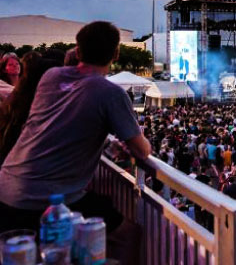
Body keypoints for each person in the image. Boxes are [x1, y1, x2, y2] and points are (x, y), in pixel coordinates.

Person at [0, 21, 152, 233]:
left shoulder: (50, 77)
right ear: (116, 54)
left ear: (78, 51)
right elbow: (141, 150)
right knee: (130, 233)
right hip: (47, 200)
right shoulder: (111, 93)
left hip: (6, 185)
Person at [0, 51, 63, 166]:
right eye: (11, 64)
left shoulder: (19, 97)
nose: (15, 67)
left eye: (17, 64)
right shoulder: (29, 103)